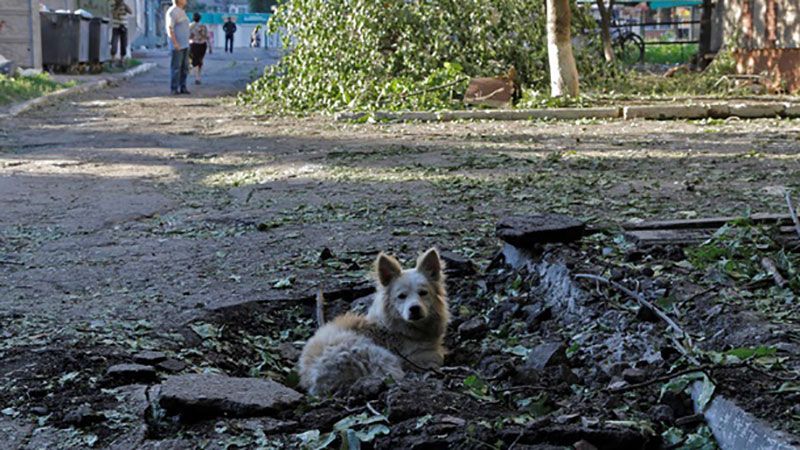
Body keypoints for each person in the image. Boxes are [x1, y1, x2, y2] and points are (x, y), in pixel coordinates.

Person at [166, 0, 190, 94]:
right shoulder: (172, 11)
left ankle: (183, 87)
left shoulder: (181, 11)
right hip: (178, 45)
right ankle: (174, 88)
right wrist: (175, 42)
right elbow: (170, 28)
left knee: (185, 67)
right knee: (176, 67)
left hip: (185, 44)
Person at [110, 0, 132, 67]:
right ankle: (113, 60)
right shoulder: (113, 6)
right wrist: (118, 7)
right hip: (116, 27)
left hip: (124, 27)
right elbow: (114, 15)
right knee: (114, 43)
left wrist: (124, 5)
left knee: (124, 44)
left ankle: (122, 60)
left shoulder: (124, 5)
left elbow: (130, 12)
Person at [189, 13, 209, 85]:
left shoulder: (190, 26)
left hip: (193, 44)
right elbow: (207, 36)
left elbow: (188, 36)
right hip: (203, 45)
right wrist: (210, 47)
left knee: (195, 61)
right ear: (200, 18)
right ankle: (199, 76)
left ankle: (197, 77)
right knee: (200, 60)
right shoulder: (203, 26)